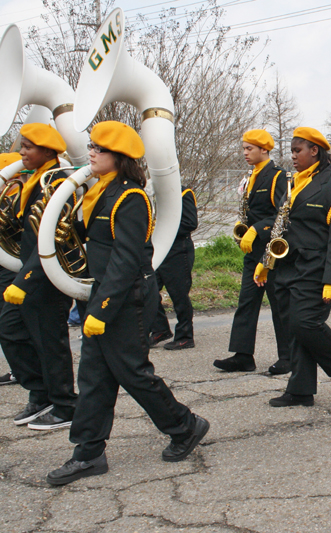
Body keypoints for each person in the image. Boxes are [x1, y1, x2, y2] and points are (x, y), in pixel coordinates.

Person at [46, 121, 209, 486]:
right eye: (91, 146)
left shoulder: (131, 197)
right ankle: (88, 453)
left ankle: (186, 426)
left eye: (98, 149)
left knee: (132, 372)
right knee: (93, 378)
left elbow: (126, 259)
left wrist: (101, 310)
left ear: (118, 157)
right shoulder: (101, 191)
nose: (90, 153)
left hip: (127, 298)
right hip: (106, 294)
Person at [260, 127, 331, 408]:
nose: (293, 156)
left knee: (306, 323)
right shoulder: (296, 182)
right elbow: (282, 227)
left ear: (314, 151)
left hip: (316, 268)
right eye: (291, 151)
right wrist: (265, 263)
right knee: (294, 327)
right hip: (288, 267)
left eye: (297, 150)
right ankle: (301, 389)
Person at [0, 124, 77, 431]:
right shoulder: (33, 180)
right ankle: (40, 391)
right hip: (29, 270)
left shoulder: (58, 182)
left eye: (28, 147)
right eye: (22, 146)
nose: (22, 152)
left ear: (47, 150)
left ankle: (64, 403)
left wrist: (25, 278)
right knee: (10, 330)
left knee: (49, 341)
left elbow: (52, 239)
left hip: (47, 273)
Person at [214, 130, 290, 375]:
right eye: (244, 148)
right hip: (252, 252)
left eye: (249, 148)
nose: (245, 153)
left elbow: (282, 214)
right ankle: (242, 355)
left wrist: (256, 229)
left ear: (264, 150)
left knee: (279, 306)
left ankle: (288, 358)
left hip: (271, 252)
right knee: (246, 302)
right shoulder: (250, 176)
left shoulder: (277, 176)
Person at [149, 186, 198, 350]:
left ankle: (185, 336)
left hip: (179, 251)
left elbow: (190, 222)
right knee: (148, 290)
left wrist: (163, 228)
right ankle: (160, 329)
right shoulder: (159, 194)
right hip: (160, 250)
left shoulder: (184, 193)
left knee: (179, 295)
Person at [0, 152, 23, 387]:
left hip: (15, 268)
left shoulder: (14, 197)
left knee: (10, 325)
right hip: (6, 266)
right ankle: (20, 370)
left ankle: (27, 374)